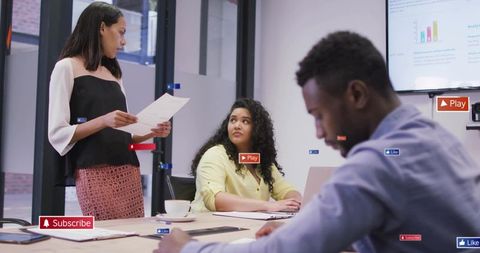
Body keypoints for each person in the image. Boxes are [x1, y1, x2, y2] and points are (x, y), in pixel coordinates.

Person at [154, 31, 480, 253]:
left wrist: (187, 248)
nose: (319, 133)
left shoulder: (378, 163)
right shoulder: (433, 136)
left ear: (356, 94)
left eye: (319, 115)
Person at [48, 2, 171, 220]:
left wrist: (153, 131)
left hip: (129, 169)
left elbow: (125, 134)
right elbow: (57, 133)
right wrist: (103, 120)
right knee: (109, 235)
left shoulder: (114, 73)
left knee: (134, 237)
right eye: (121, 32)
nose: (124, 41)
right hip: (93, 171)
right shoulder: (66, 67)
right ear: (102, 28)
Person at [190, 98, 302, 212]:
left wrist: (295, 202)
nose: (237, 125)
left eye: (245, 121)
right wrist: (268, 205)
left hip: (248, 227)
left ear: (258, 129)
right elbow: (215, 199)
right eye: (233, 120)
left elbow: (286, 190)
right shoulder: (215, 155)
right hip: (208, 227)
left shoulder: (262, 162)